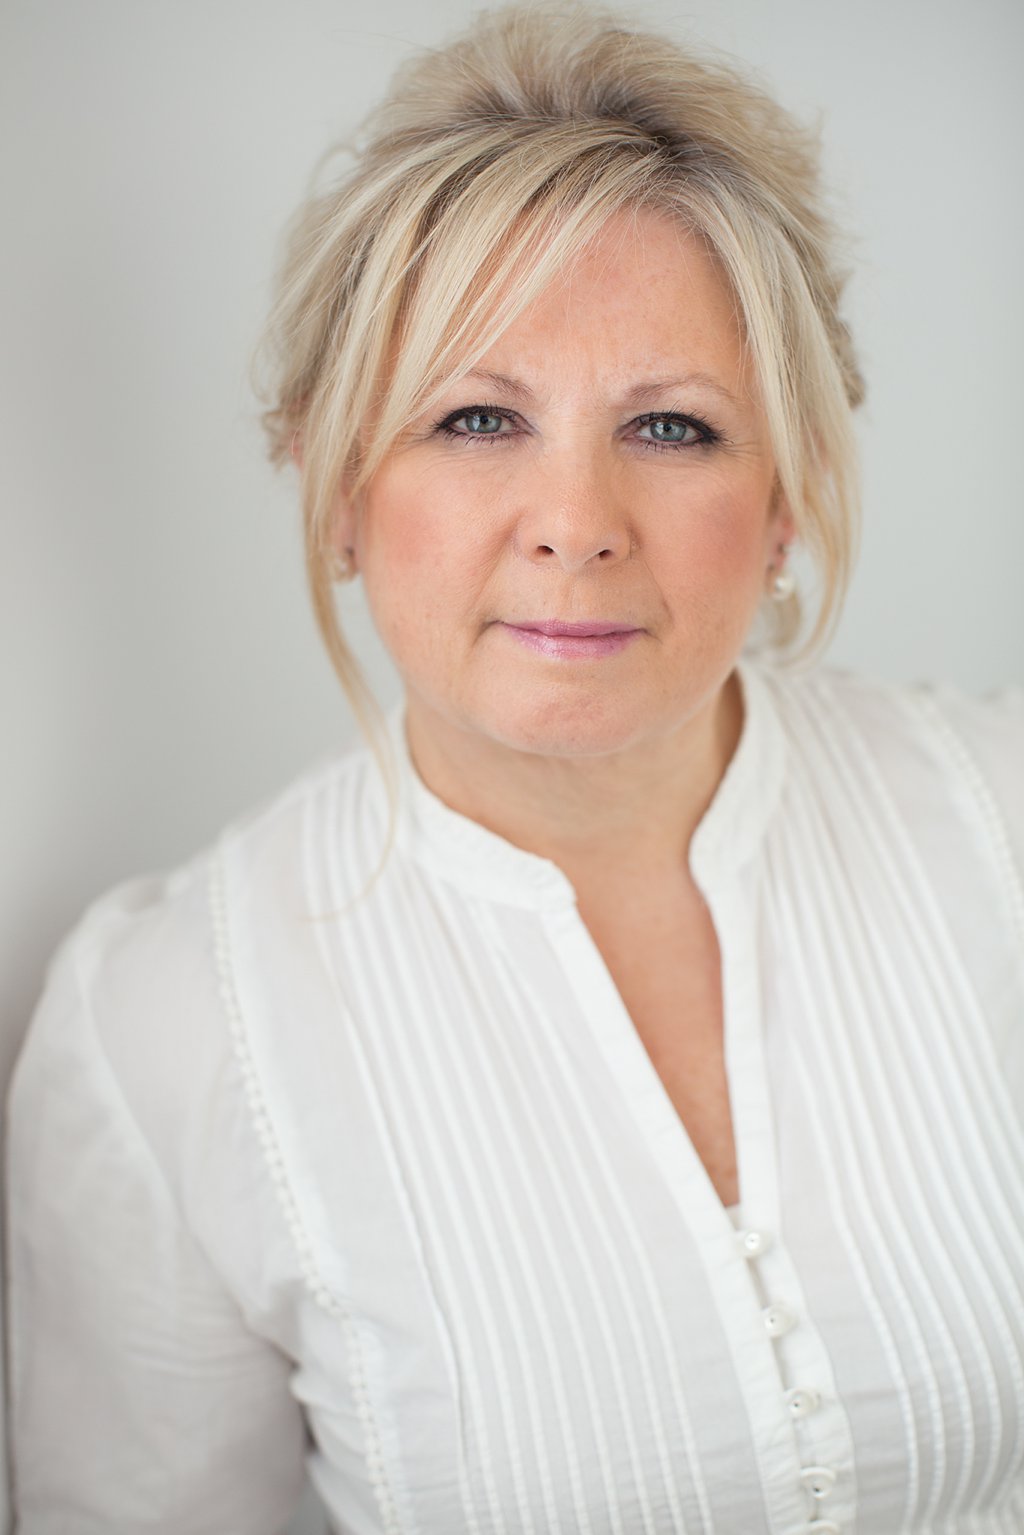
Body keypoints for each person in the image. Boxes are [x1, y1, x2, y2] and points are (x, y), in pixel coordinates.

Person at [5, 3, 1023, 1532]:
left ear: (788, 501)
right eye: (477, 417)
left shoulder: (1001, 822)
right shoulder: (166, 1030)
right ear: (336, 485)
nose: (576, 524)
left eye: (672, 427)